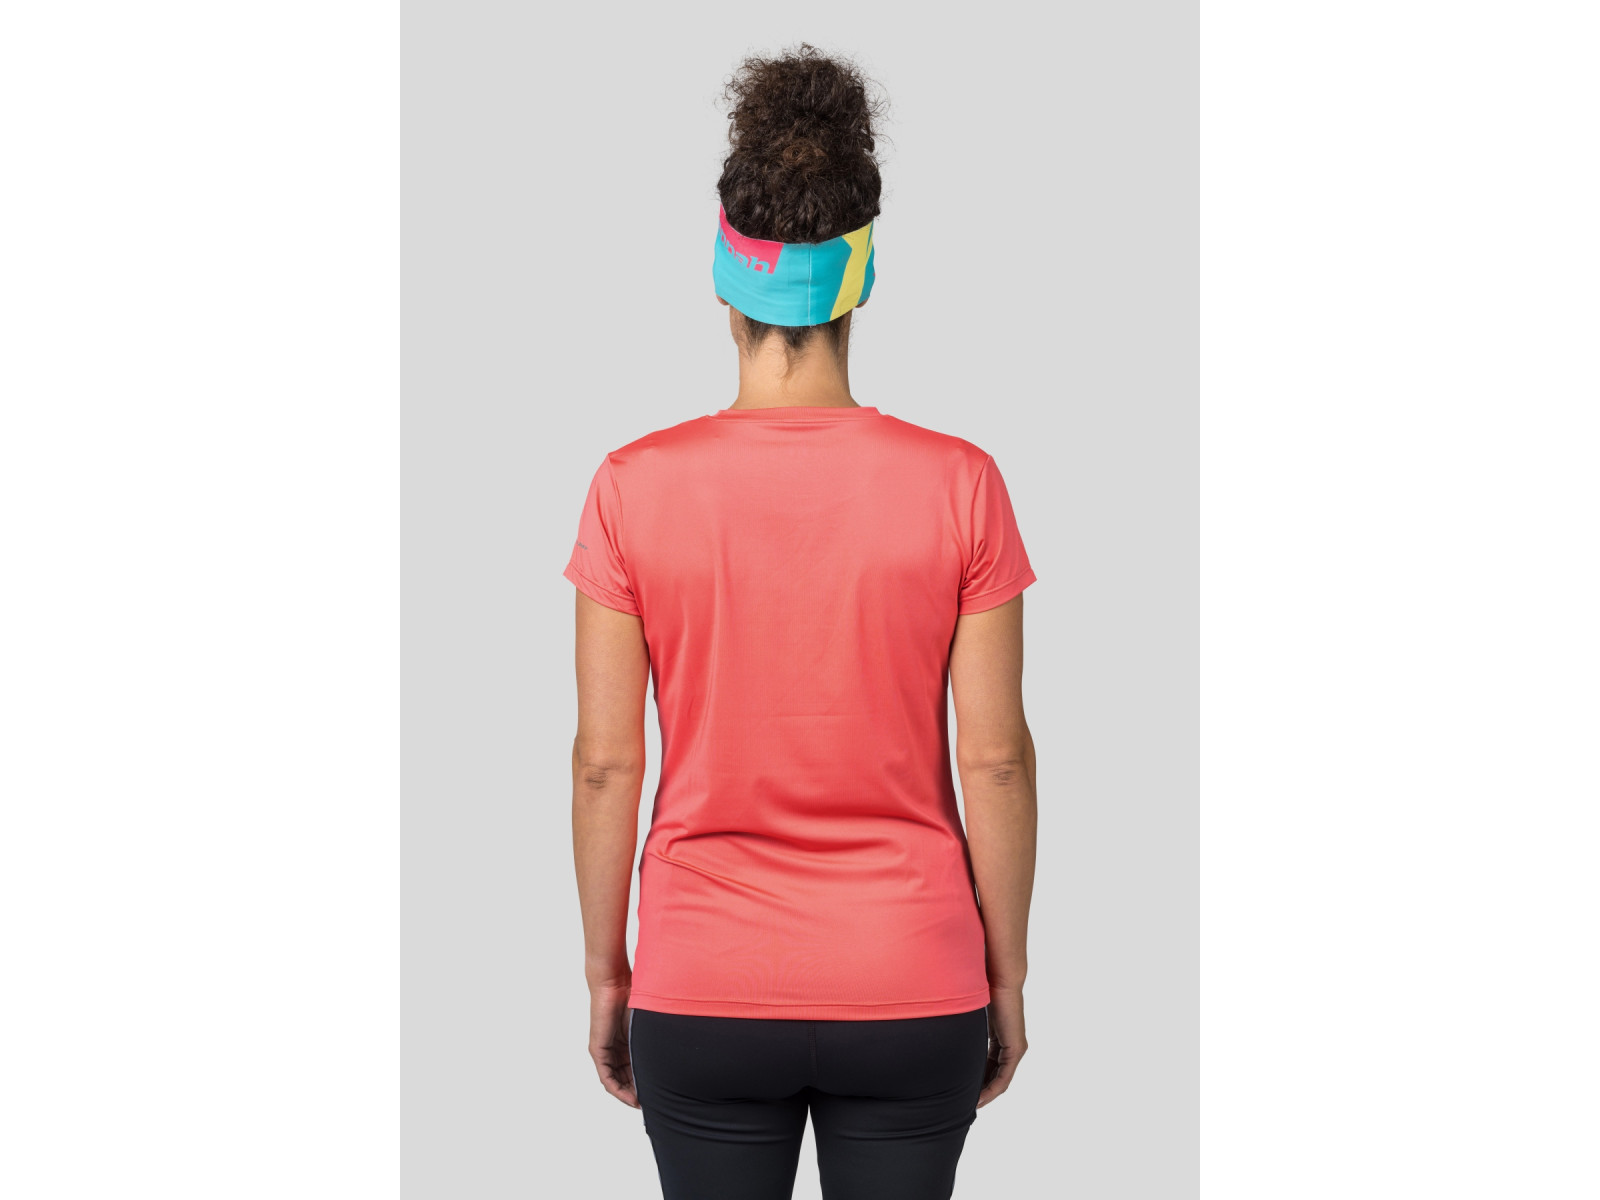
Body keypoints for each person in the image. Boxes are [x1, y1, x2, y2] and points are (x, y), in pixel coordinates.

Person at [565, 45, 1038, 1200]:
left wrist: (608, 976)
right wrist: (1006, 976)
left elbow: (605, 764)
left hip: (703, 984)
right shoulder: (960, 484)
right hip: (911, 981)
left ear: (724, 281)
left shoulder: (631, 487)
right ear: (859, 279)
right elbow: (994, 758)